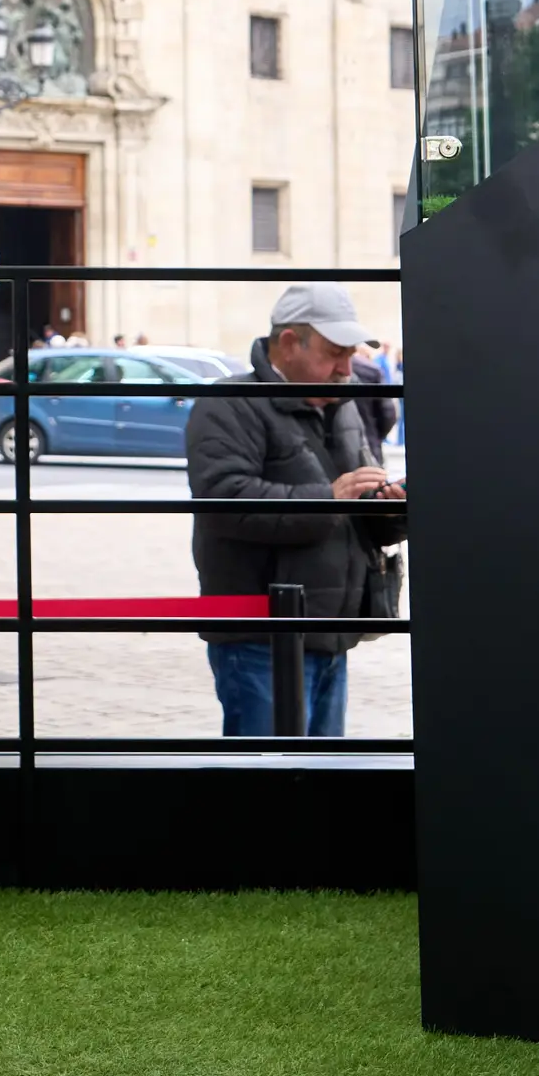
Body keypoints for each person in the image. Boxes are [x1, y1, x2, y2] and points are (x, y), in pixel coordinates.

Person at [183, 281, 404, 737]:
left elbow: (356, 509)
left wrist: (391, 508)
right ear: (288, 342)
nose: (348, 367)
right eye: (333, 353)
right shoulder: (229, 404)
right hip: (261, 635)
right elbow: (224, 500)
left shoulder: (342, 405)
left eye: (351, 353)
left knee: (321, 781)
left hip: (330, 632)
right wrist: (331, 498)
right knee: (271, 784)